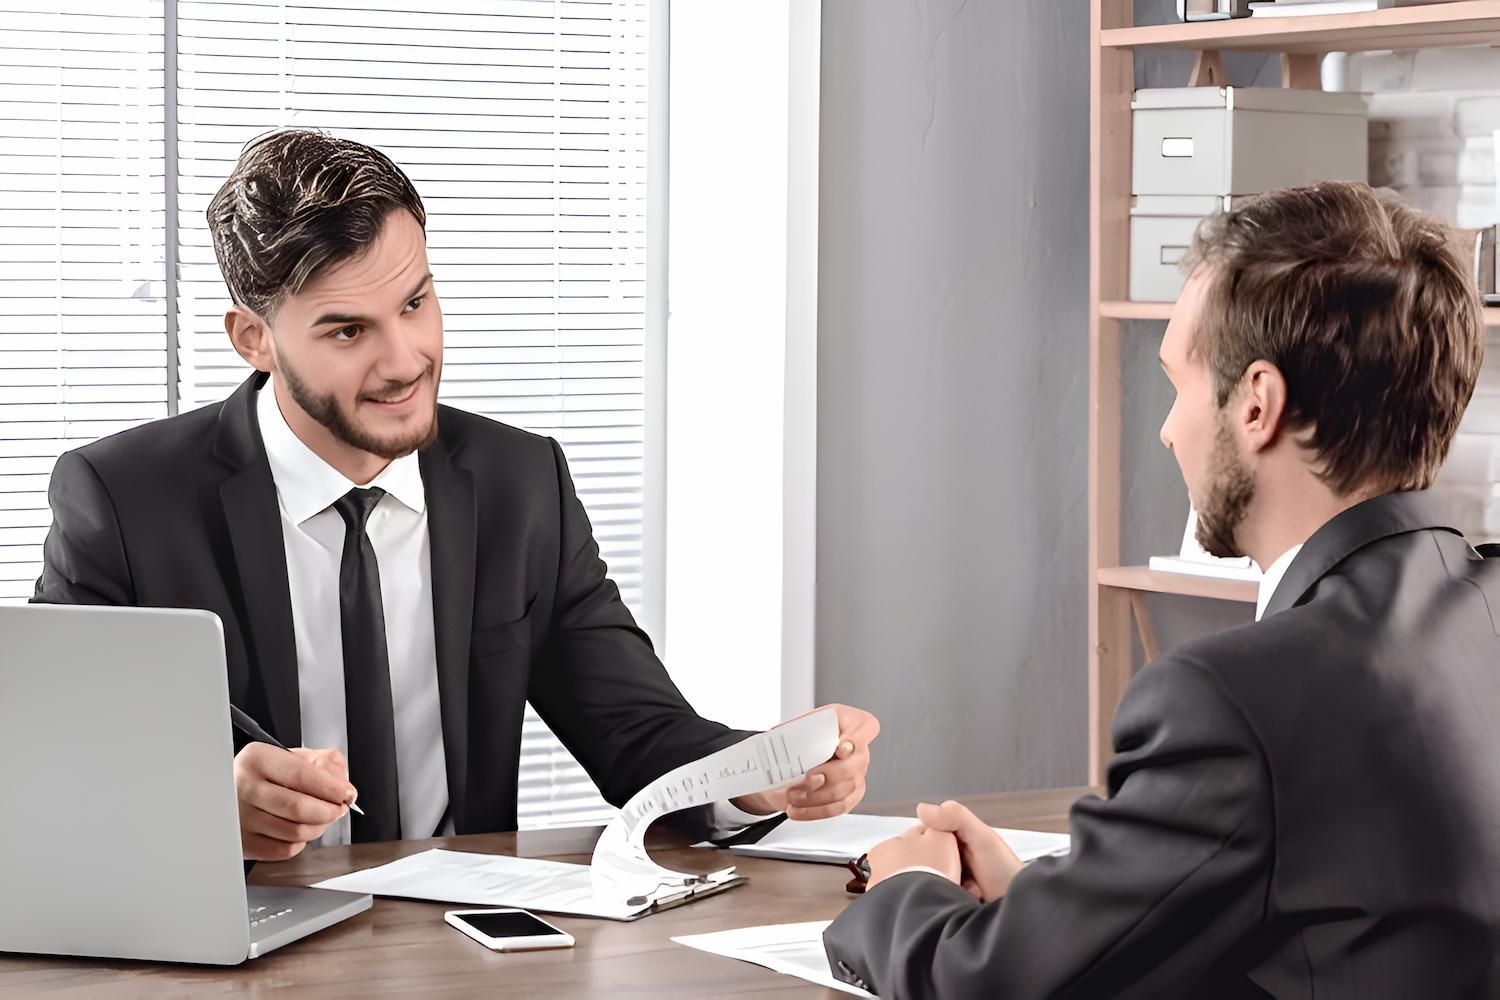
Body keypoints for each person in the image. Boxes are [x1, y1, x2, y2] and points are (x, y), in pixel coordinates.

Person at [34, 129, 878, 861]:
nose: (404, 360)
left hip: (455, 942)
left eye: (415, 302)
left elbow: (637, 734)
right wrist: (206, 799)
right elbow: (57, 763)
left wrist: (766, 773)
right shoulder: (122, 501)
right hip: (234, 949)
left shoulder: (521, 483)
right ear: (254, 338)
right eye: (347, 330)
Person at [824, 182, 1500, 997]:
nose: (1168, 428)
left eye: (1179, 384)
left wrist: (904, 888)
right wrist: (1060, 908)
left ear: (1257, 405)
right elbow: (1338, 932)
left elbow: (988, 988)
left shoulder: (1237, 700)